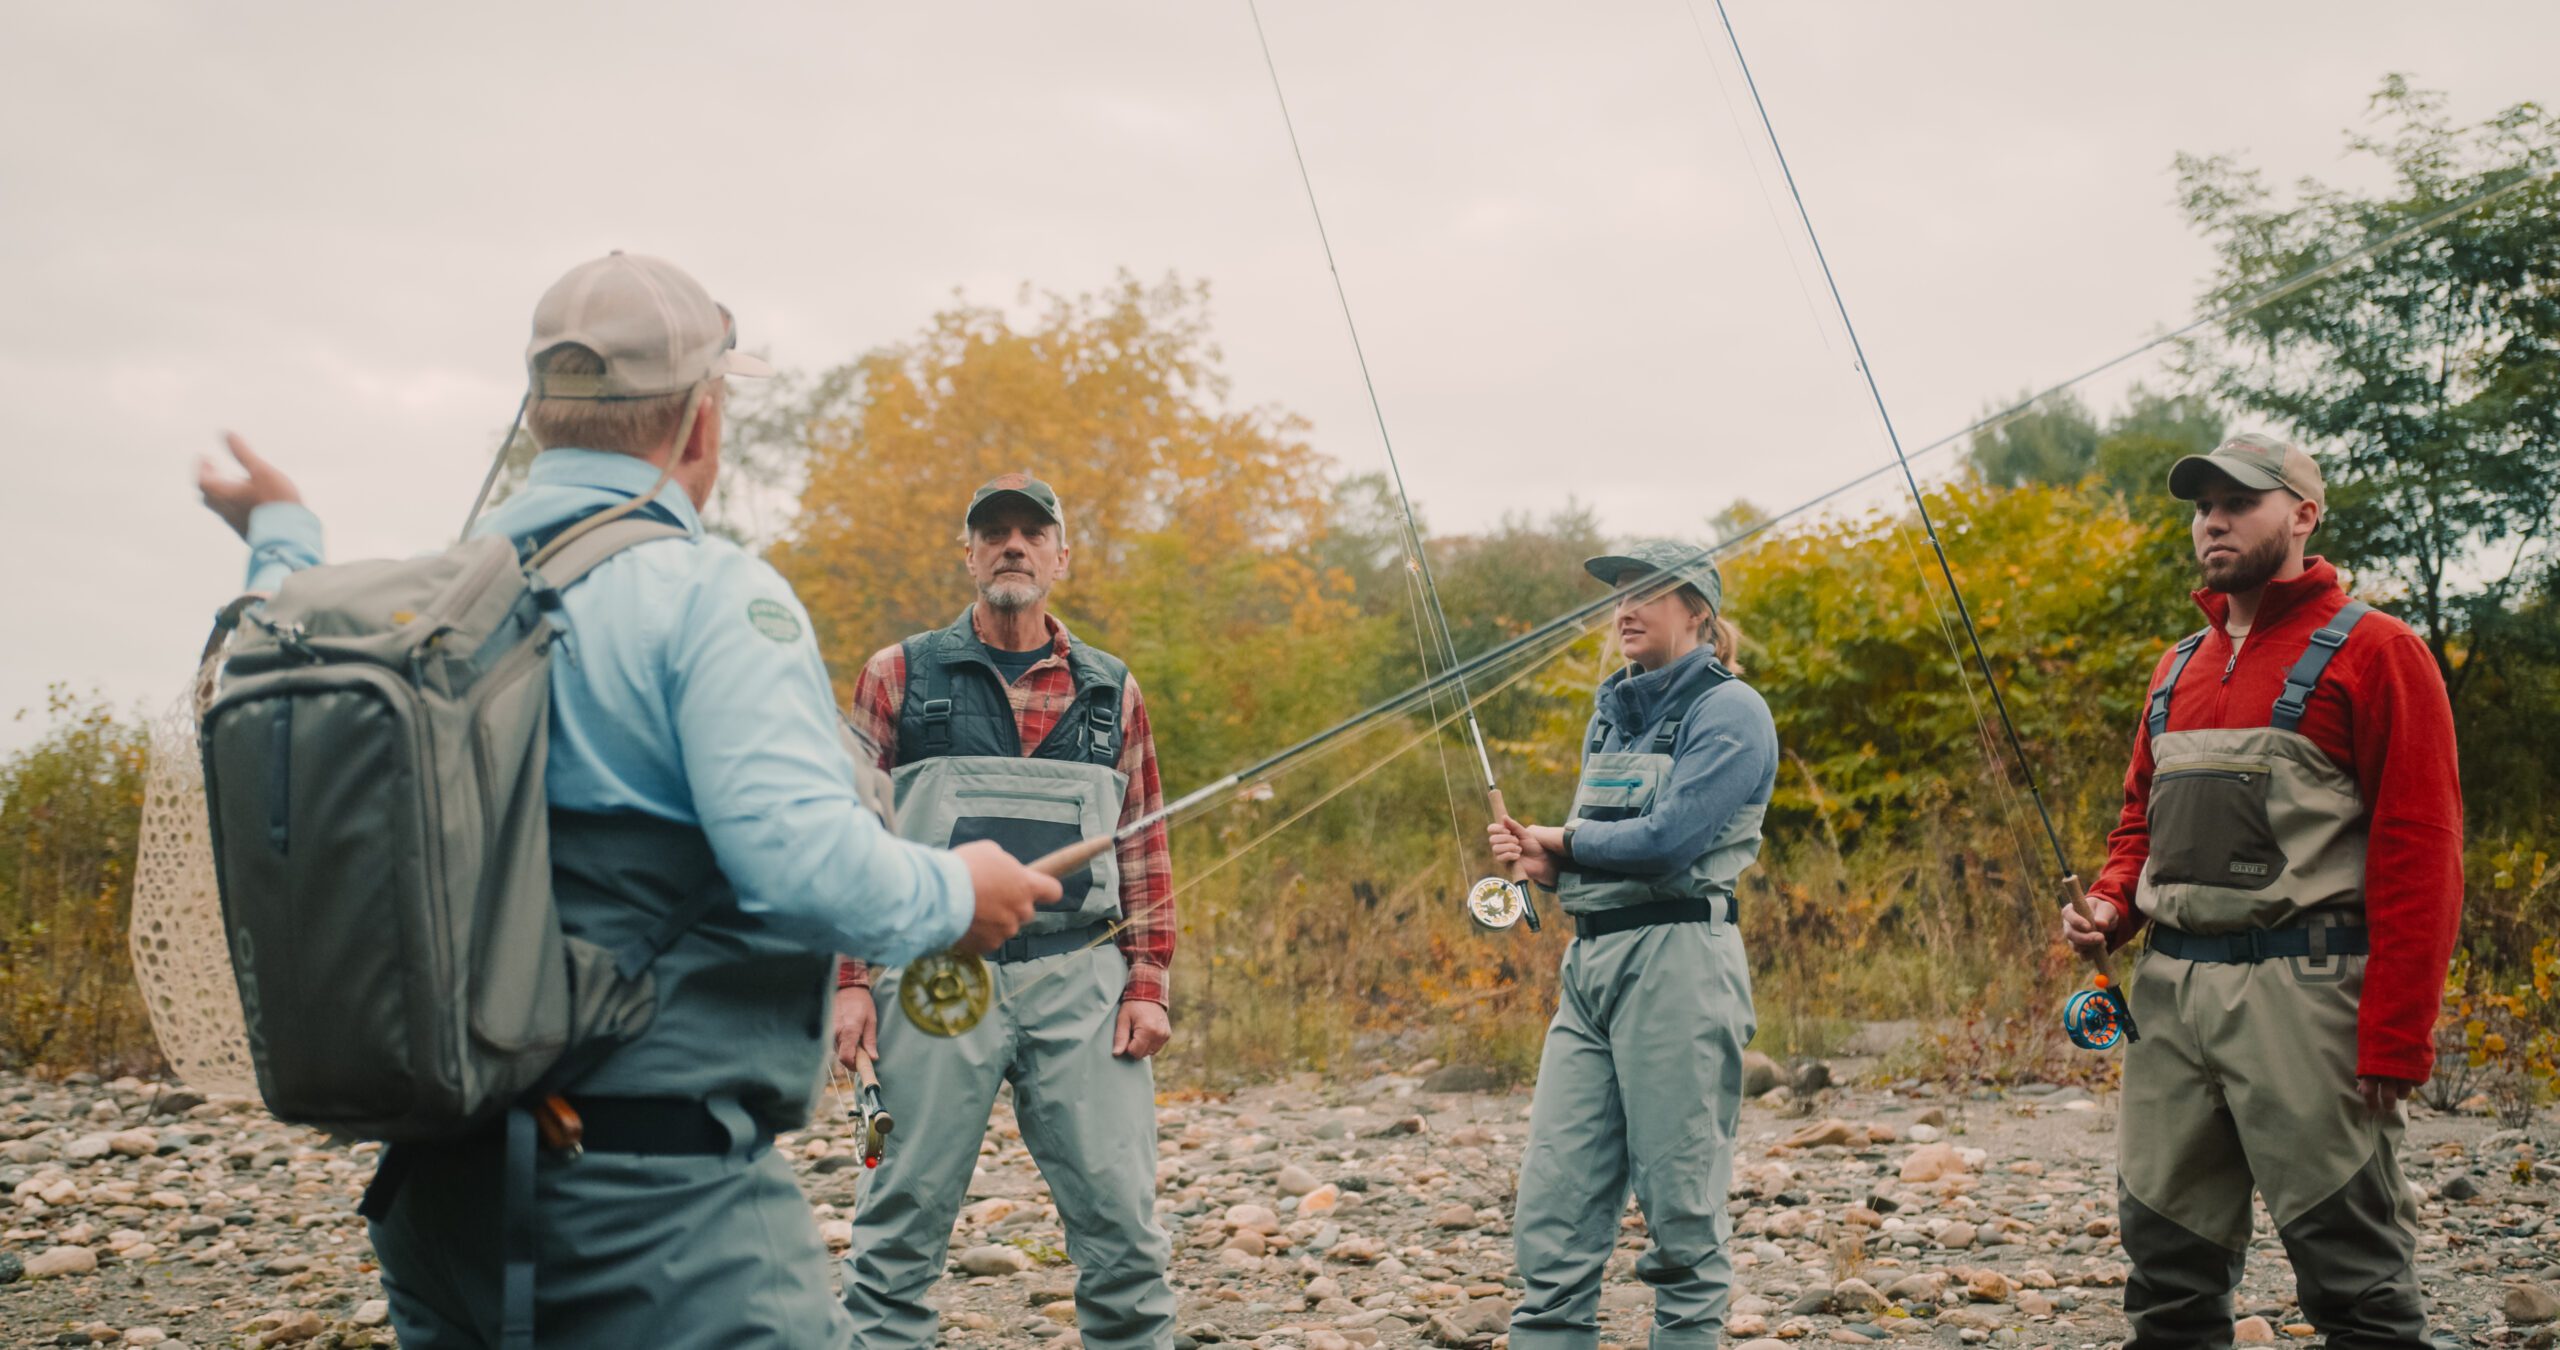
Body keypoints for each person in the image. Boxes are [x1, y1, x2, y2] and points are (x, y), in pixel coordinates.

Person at [194, 251, 1057, 1349]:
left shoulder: (423, 608)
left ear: (539, 418)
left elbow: (276, 617)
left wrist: (282, 531)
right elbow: (799, 869)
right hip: (655, 1217)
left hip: (435, 1204)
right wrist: (958, 890)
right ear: (701, 424)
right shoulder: (708, 594)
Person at [2063, 433, 2462, 1348]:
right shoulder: (2175, 668)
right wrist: (2111, 909)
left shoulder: (2380, 652)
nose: (2214, 520)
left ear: (2303, 515)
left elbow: (2422, 855)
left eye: (2240, 501)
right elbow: (2138, 831)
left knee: (2357, 1286)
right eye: (2204, 504)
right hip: (2171, 1001)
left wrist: (2397, 1036)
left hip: (2308, 999)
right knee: (2165, 1278)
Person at [834, 473, 1178, 1350]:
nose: (1013, 546)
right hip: (931, 978)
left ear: (1062, 556)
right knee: (897, 1230)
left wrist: (1149, 980)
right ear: (969, 554)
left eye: (1033, 532)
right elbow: (844, 838)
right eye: (995, 533)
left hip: (1084, 978)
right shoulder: (896, 674)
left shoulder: (1113, 689)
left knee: (1125, 1230)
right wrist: (848, 981)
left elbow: (1144, 845)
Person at [1489, 539, 1776, 1350]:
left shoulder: (1732, 711)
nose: (1625, 606)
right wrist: (1546, 864)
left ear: (1699, 613)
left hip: (1681, 964)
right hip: (1590, 966)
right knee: (1555, 1195)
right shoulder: (1611, 711)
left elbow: (1666, 843)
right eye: (1618, 592)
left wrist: (1559, 837)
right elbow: (1603, 854)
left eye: (1648, 590)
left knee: (1680, 1204)